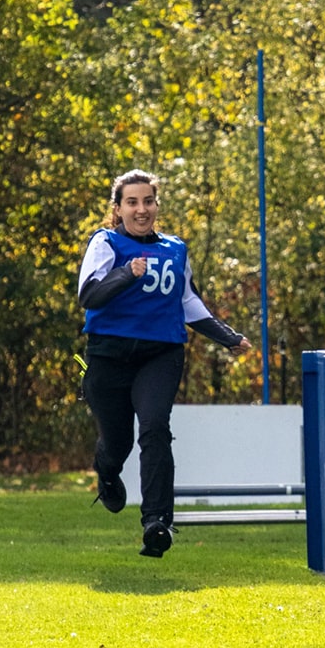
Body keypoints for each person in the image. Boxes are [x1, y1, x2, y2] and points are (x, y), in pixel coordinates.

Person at [77, 169, 251, 558]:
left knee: (155, 427)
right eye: (132, 202)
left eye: (148, 201)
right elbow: (89, 295)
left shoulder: (175, 249)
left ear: (157, 205)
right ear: (118, 208)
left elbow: (188, 302)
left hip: (161, 352)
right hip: (108, 356)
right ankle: (107, 471)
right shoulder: (106, 242)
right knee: (118, 442)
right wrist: (127, 273)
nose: (141, 209)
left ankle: (157, 523)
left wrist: (227, 336)